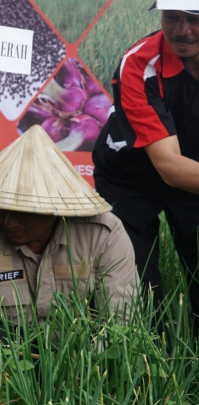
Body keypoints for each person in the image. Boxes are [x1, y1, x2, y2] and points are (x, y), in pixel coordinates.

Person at [0, 125, 139, 393]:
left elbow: (120, 325)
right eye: (1, 209)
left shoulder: (104, 235)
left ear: (55, 207)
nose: (9, 221)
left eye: (22, 212)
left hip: (79, 362)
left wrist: (85, 383)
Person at [92, 0, 199, 323]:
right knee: (135, 287)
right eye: (172, 18)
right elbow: (169, 166)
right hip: (129, 177)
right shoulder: (139, 63)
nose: (182, 31)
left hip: (192, 172)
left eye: (194, 19)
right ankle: (145, 356)